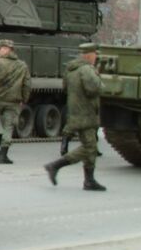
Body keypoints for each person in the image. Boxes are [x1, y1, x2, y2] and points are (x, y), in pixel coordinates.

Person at [44, 43, 106, 191]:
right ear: (89, 55)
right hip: (86, 113)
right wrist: (99, 79)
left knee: (90, 147)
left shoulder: (71, 69)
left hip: (75, 112)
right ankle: (55, 166)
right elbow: (94, 89)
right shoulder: (86, 69)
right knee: (89, 147)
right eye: (94, 54)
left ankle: (89, 180)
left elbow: (65, 88)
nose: (96, 57)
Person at [0, 39, 31, 164]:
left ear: (9, 50)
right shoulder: (22, 65)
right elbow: (27, 85)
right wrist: (24, 99)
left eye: (2, 48)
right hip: (13, 101)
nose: (0, 50)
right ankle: (3, 155)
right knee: (8, 127)